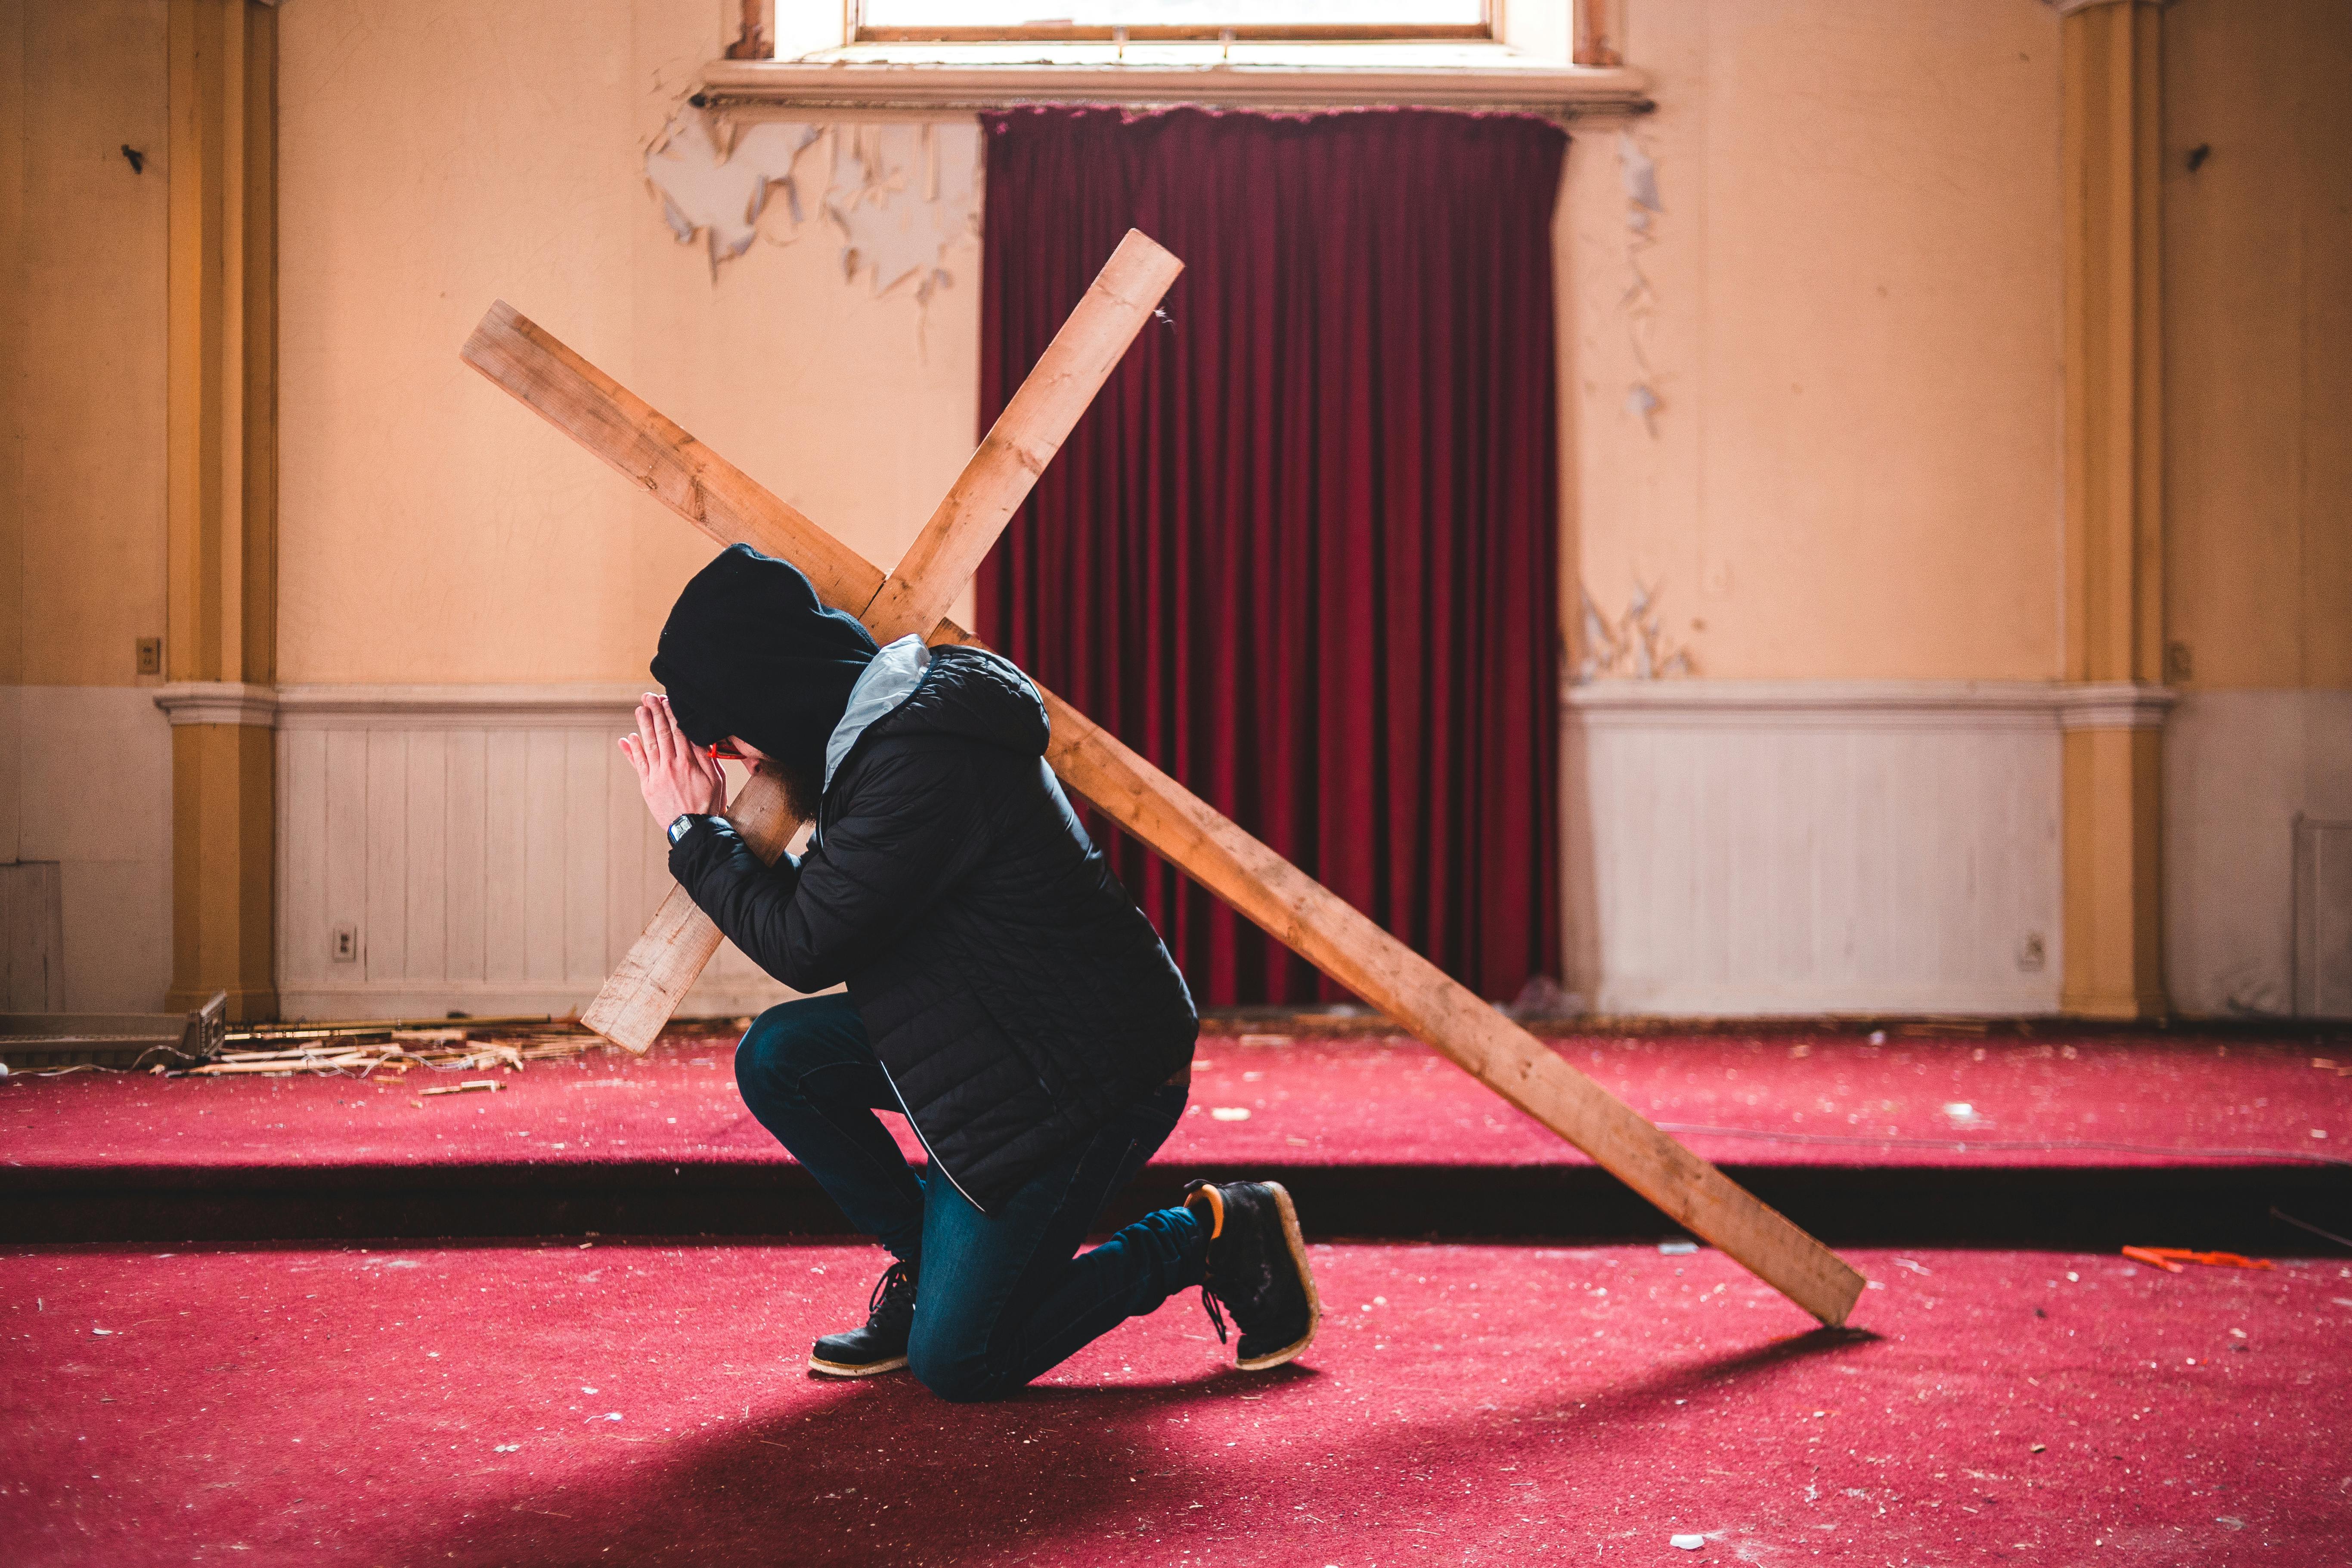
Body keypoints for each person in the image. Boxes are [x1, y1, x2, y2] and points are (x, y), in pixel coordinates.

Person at [619, 545, 1321, 1401]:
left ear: (770, 697)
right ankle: (930, 1265)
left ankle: (1208, 1236)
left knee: (959, 1362)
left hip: (1083, 1076)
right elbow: (848, 905)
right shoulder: (882, 732)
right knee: (779, 1059)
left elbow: (806, 946)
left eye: (728, 739)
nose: (735, 760)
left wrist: (694, 832)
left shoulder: (917, 756)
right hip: (996, 1033)